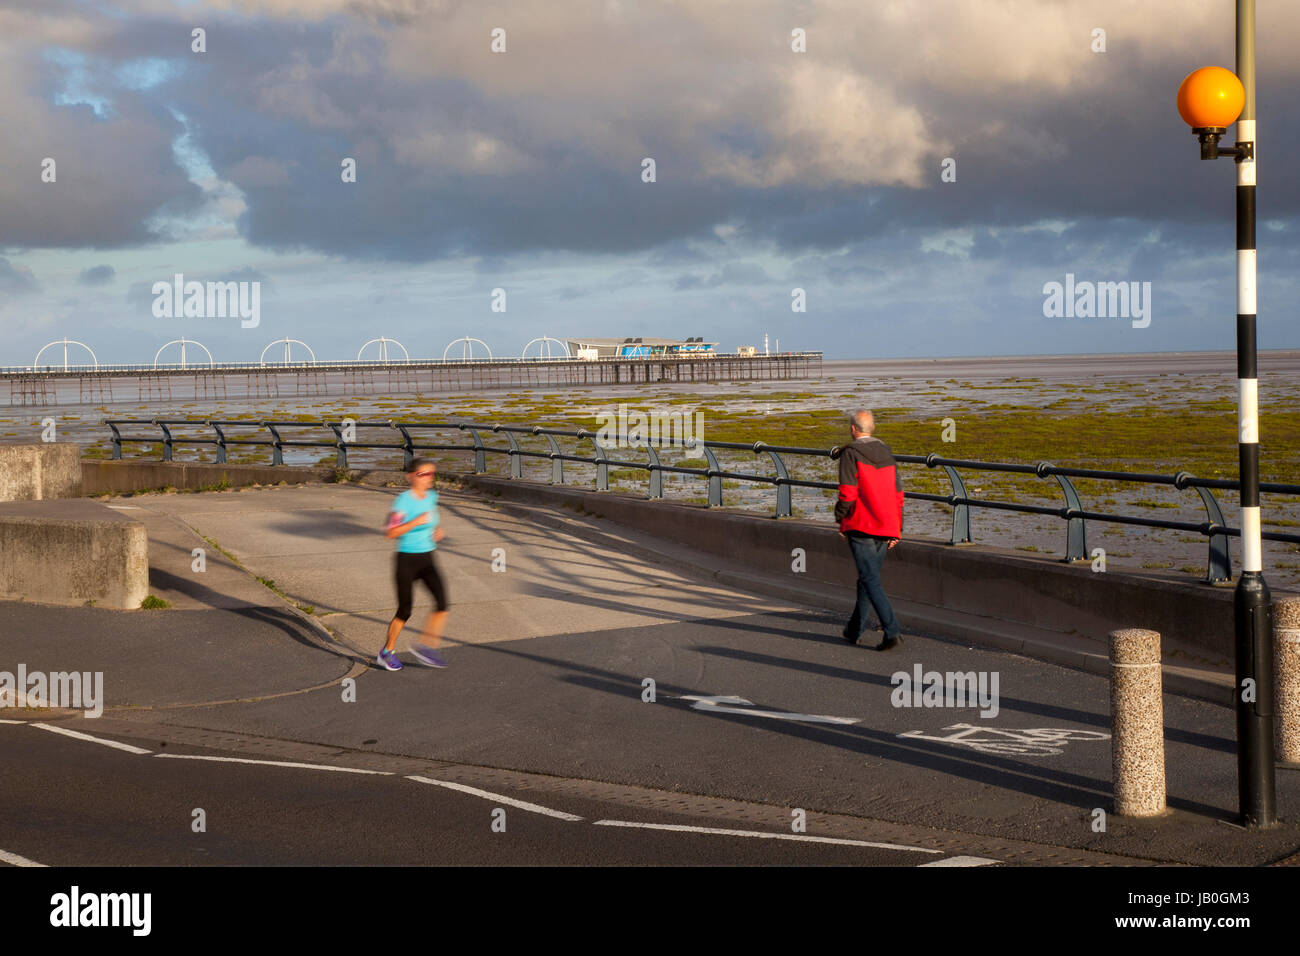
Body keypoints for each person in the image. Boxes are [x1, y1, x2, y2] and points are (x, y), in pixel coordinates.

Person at [835, 409, 904, 651]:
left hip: (862, 525)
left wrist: (840, 518)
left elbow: (848, 492)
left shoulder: (850, 453)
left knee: (870, 579)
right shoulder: (886, 452)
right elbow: (898, 494)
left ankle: (892, 631)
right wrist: (897, 527)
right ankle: (854, 629)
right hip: (886, 525)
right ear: (872, 428)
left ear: (853, 429)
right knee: (868, 577)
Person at [377, 457, 449, 670]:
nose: (429, 478)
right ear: (411, 477)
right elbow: (391, 532)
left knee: (442, 604)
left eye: (432, 473)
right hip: (406, 560)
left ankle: (425, 646)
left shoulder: (432, 497)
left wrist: (436, 531)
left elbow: (431, 522)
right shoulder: (403, 501)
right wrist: (416, 522)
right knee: (405, 610)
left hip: (428, 558)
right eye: (423, 474)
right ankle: (387, 651)